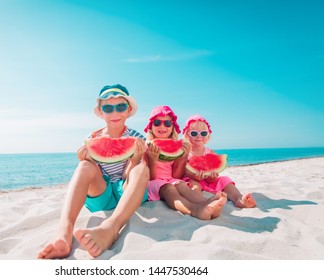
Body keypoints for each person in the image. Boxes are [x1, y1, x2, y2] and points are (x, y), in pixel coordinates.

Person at [37, 84, 149, 259]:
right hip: (102, 195)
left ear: (128, 110)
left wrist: (135, 159)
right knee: (84, 166)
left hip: (128, 193)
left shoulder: (138, 138)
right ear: (101, 111)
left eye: (120, 107)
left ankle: (111, 227)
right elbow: (97, 173)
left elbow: (130, 177)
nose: (115, 113)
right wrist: (89, 161)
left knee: (142, 169)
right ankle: (64, 231)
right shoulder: (92, 139)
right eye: (108, 108)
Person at [144, 105, 227, 220]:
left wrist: (183, 157)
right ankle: (193, 210)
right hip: (153, 183)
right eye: (157, 122)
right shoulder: (146, 146)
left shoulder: (177, 146)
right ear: (151, 127)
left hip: (171, 179)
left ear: (172, 127)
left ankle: (207, 203)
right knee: (169, 189)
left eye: (167, 123)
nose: (162, 126)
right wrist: (153, 160)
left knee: (182, 185)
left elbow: (176, 176)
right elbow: (150, 178)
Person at [182, 114, 256, 208]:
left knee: (225, 180)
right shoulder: (186, 152)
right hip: (192, 179)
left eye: (203, 133)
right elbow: (184, 169)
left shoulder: (211, 152)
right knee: (194, 185)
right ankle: (201, 202)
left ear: (208, 136)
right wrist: (194, 175)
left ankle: (239, 199)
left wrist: (212, 177)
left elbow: (213, 174)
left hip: (208, 181)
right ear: (186, 135)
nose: (199, 136)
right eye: (194, 133)